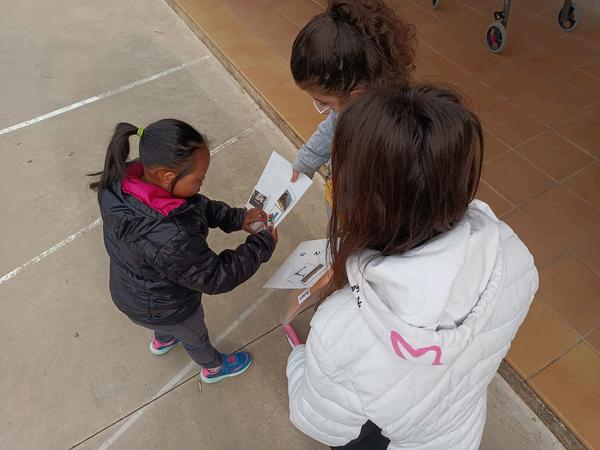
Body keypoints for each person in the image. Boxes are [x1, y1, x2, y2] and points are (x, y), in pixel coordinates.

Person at [286, 85, 539, 449]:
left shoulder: (341, 332)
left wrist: (301, 358)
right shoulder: (515, 257)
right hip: (459, 431)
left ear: (361, 198)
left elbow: (320, 423)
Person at [89, 119, 277, 384]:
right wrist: (262, 245)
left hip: (134, 294)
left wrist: (237, 218)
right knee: (195, 336)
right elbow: (214, 276)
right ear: (168, 176)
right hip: (169, 308)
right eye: (199, 179)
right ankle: (213, 367)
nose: (202, 183)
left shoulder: (126, 183)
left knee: (165, 324)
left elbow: (195, 205)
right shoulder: (169, 235)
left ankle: (163, 339)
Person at [289, 0, 417, 210]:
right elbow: (329, 131)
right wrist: (304, 163)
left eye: (324, 103)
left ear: (357, 93)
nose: (328, 112)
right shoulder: (345, 110)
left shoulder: (390, 139)